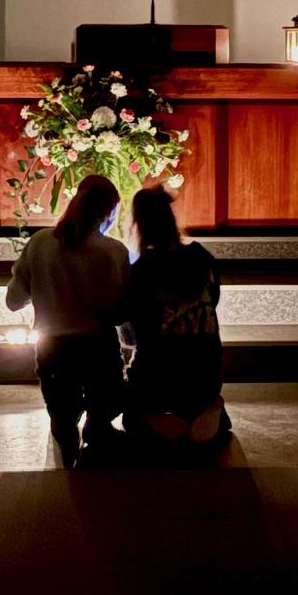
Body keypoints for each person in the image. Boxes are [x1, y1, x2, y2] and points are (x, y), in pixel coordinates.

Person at [6, 174, 129, 468]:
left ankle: (66, 432)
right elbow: (120, 311)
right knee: (107, 401)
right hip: (98, 350)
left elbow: (13, 300)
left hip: (53, 349)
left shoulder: (40, 243)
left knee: (62, 410)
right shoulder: (113, 251)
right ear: (110, 212)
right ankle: (97, 427)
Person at [122, 185, 230, 458]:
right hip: (206, 371)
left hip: (160, 375)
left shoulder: (141, 270)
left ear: (138, 225)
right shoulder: (202, 257)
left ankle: (165, 423)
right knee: (196, 396)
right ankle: (207, 411)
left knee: (131, 418)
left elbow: (132, 335)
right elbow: (214, 301)